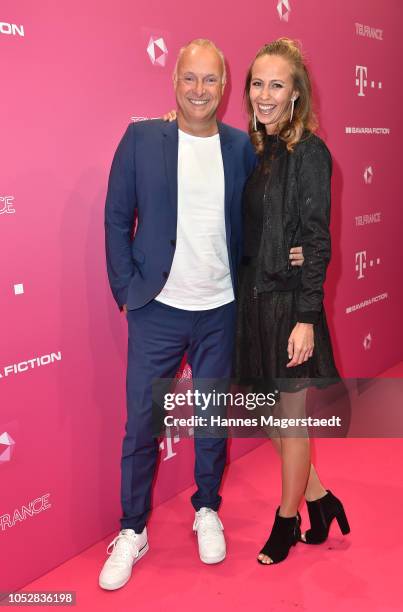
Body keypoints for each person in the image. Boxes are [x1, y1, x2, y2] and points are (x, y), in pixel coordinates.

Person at [101, 38, 304, 590]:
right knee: (141, 424)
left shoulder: (242, 148)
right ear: (175, 82)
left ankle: (207, 508)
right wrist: (126, 290)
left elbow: (274, 204)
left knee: (211, 420)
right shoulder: (142, 139)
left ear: (223, 85)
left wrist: (296, 248)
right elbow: (117, 217)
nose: (198, 90)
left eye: (210, 80)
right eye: (189, 79)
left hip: (220, 309)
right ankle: (132, 529)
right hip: (157, 309)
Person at [234, 38, 350, 565]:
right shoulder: (259, 152)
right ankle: (321, 500)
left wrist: (306, 318)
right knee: (272, 420)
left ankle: (287, 521)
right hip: (254, 303)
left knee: (292, 421)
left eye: (276, 84)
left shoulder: (310, 152)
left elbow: (317, 239)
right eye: (257, 83)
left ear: (296, 95)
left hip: (288, 308)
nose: (264, 94)